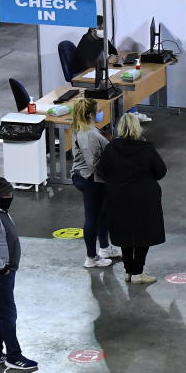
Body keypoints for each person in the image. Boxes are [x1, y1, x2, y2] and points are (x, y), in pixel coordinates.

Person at [98, 114, 167, 284]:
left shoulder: (112, 148)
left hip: (118, 196)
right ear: (138, 128)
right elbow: (161, 171)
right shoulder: (146, 148)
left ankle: (129, 271)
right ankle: (137, 273)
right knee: (144, 233)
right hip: (144, 197)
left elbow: (101, 171)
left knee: (124, 233)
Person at [0, 176, 38, 371]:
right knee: (8, 315)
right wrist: (2, 267)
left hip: (1, 273)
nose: (10, 198)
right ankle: (14, 356)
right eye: (8, 195)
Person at [71, 98, 116, 268]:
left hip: (92, 178)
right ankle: (91, 257)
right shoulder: (87, 134)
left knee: (101, 213)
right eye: (97, 110)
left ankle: (105, 248)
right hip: (91, 179)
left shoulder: (86, 128)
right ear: (90, 114)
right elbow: (93, 164)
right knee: (92, 217)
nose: (99, 113)